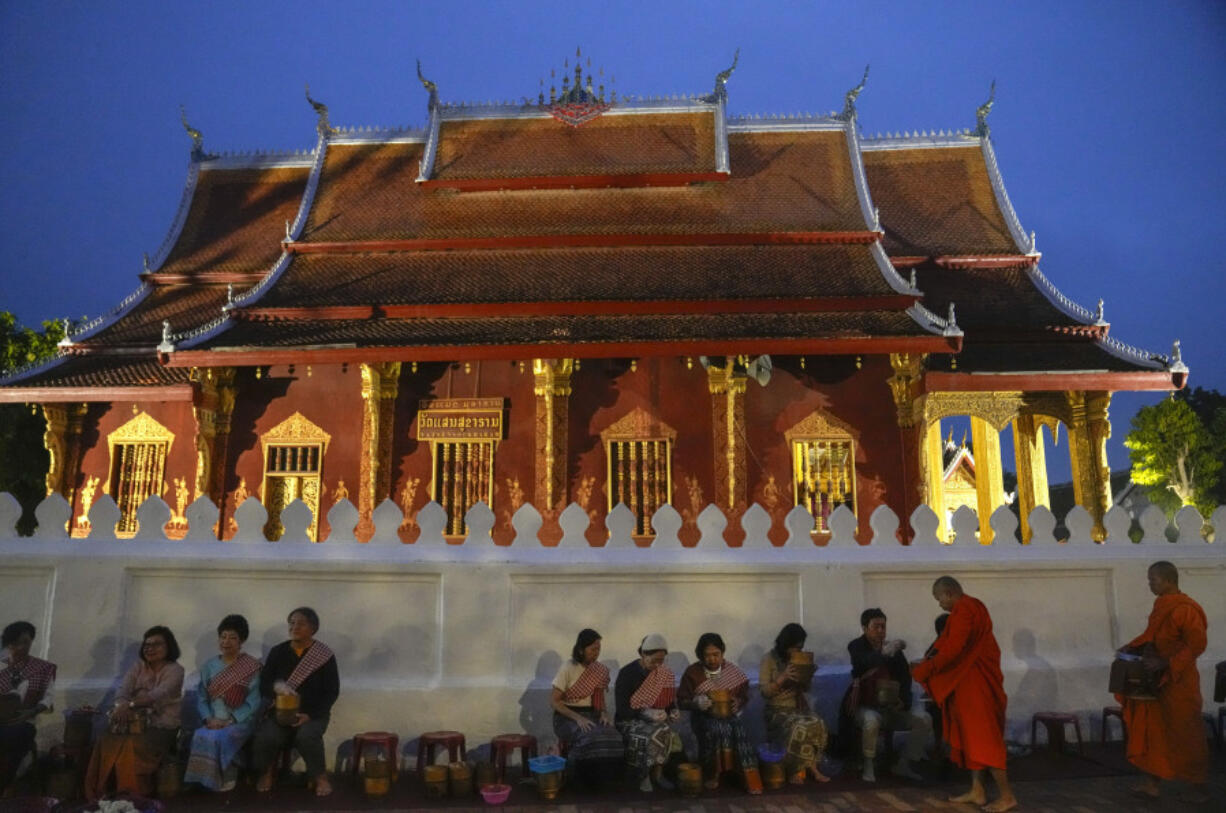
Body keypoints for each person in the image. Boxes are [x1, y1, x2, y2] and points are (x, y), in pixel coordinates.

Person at [912, 576, 1016, 812]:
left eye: (939, 599)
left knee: (984, 739)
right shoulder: (970, 606)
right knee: (971, 737)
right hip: (966, 682)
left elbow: (954, 649)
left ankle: (1007, 796)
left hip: (976, 684)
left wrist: (924, 669)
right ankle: (978, 791)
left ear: (948, 593)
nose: (940, 605)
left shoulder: (966, 610)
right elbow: (948, 646)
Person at [1116, 561, 1208, 803]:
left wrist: (1166, 663)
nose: (1150, 585)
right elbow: (1153, 636)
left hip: (1180, 679)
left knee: (1186, 732)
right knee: (1154, 730)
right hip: (1158, 681)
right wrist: (1132, 647)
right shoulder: (1163, 604)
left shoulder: (1185, 608)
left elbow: (1196, 644)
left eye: (1153, 580)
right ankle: (1151, 784)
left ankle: (1197, 787)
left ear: (1169, 581)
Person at [84, 626, 185, 801]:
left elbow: (157, 695)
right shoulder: (138, 667)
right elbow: (122, 691)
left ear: (169, 647)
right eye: (147, 645)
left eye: (157, 644)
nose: (150, 648)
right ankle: (101, 790)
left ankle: (131, 794)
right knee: (105, 739)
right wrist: (121, 704)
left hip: (162, 726)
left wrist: (129, 705)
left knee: (130, 744)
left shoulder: (176, 670)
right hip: (132, 722)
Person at [251, 607, 339, 797]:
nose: (294, 627)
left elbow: (332, 691)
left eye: (301, 623)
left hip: (313, 714)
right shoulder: (278, 651)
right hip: (281, 712)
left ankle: (320, 777)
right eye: (291, 623)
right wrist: (277, 690)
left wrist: (311, 715)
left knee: (307, 736)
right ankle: (266, 773)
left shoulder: (324, 655)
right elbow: (264, 684)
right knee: (266, 736)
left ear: (313, 628)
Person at [841, 608, 931, 782]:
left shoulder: (894, 650)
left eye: (883, 626)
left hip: (891, 707)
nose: (881, 631)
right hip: (865, 705)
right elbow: (863, 663)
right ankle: (868, 765)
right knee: (871, 720)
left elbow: (905, 678)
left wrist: (903, 701)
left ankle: (905, 763)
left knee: (924, 719)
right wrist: (884, 652)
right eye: (876, 627)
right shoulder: (856, 646)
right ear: (865, 628)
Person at [183, 614, 263, 792]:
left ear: (241, 641)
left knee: (222, 736)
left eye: (233, 638)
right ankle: (202, 779)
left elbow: (253, 701)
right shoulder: (209, 666)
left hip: (241, 720)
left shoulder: (251, 666)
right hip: (213, 720)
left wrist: (229, 721)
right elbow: (202, 697)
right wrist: (208, 719)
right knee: (200, 734)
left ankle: (228, 773)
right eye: (223, 637)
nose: (226, 642)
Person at [677, 632, 763, 793]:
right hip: (703, 717)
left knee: (738, 730)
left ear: (722, 653)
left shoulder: (732, 670)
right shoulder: (693, 672)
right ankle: (713, 773)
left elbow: (744, 695)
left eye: (716, 654)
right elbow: (681, 701)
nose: (712, 659)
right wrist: (696, 704)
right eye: (707, 655)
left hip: (729, 716)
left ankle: (746, 775)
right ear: (700, 656)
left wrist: (738, 702)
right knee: (718, 730)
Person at [549, 628, 624, 788]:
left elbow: (599, 699)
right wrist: (578, 718)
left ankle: (602, 779)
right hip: (565, 716)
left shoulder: (599, 670)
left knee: (614, 736)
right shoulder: (567, 668)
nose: (596, 653)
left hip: (591, 713)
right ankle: (575, 778)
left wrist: (603, 713)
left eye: (599, 650)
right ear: (581, 649)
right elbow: (555, 702)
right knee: (588, 737)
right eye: (593, 649)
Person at [759, 622, 830, 784]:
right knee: (799, 727)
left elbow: (805, 689)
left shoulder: (798, 659)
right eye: (795, 648)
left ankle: (812, 767)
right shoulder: (769, 659)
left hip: (796, 708)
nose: (798, 651)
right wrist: (782, 678)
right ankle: (795, 769)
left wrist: (807, 674)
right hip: (776, 710)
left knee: (817, 723)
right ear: (786, 645)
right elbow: (764, 692)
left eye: (801, 648)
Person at [615, 633, 681, 792]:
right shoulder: (627, 674)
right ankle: (643, 776)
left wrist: (673, 711)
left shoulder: (664, 674)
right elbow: (622, 710)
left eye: (662, 660)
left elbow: (669, 702)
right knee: (650, 733)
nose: (658, 665)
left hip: (654, 720)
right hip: (628, 720)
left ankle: (658, 774)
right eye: (654, 660)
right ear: (644, 654)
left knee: (664, 730)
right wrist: (644, 713)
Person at [0, 621, 57, 795]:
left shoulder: (42, 669)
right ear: (9, 644)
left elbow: (49, 698)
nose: (22, 647)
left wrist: (31, 711)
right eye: (17, 643)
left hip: (25, 721)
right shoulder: (2, 668)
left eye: (26, 642)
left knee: (16, 735)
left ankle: (5, 783)